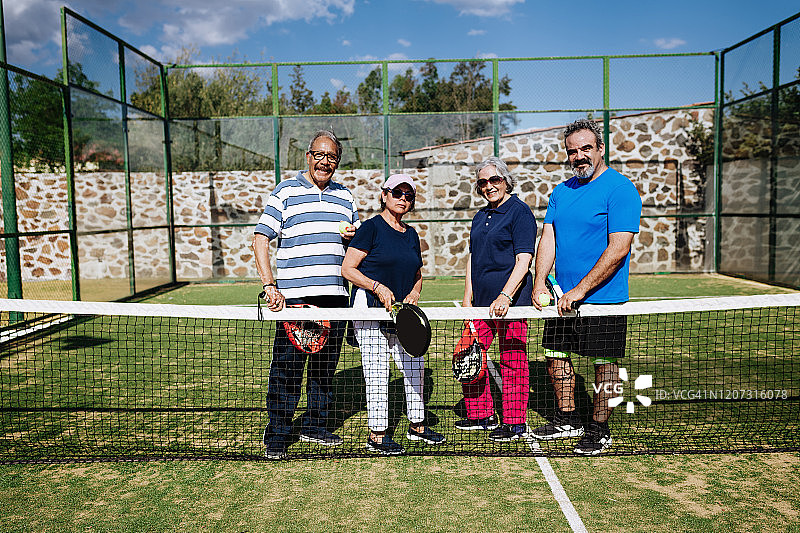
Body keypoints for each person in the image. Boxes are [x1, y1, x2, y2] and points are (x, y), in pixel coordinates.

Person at [531, 118, 642, 455]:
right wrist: (539, 284)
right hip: (561, 301)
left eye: (585, 148)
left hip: (602, 301)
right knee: (555, 358)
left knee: (604, 366)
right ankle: (568, 420)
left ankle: (599, 427)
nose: (579, 156)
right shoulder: (561, 192)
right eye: (572, 151)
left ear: (600, 149)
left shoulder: (621, 190)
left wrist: (579, 291)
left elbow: (619, 247)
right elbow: (548, 238)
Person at [254, 130, 359, 460]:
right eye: (319, 155)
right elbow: (261, 239)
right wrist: (270, 286)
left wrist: (352, 237)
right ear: (308, 155)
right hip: (296, 300)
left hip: (335, 298)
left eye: (331, 157)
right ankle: (278, 434)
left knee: (325, 368)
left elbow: (355, 250)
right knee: (286, 369)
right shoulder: (285, 192)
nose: (324, 162)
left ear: (337, 162)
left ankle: (316, 425)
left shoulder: (346, 197)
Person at [341, 174, 445, 455]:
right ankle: (377, 435)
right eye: (397, 193)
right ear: (384, 196)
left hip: (402, 313)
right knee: (377, 372)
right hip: (369, 308)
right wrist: (377, 287)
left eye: (408, 195)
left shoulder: (411, 234)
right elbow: (348, 269)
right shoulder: (370, 228)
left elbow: (417, 274)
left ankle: (418, 426)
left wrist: (414, 294)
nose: (402, 198)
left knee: (415, 367)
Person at [456, 157, 537, 442]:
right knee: (466, 355)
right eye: (482, 183)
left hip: (510, 303)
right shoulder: (479, 217)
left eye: (494, 180)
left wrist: (506, 295)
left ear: (505, 180)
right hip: (481, 304)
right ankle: (482, 415)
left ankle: (515, 422)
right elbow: (472, 259)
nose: (489, 186)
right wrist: (468, 298)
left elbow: (524, 259)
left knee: (513, 360)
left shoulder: (520, 212)